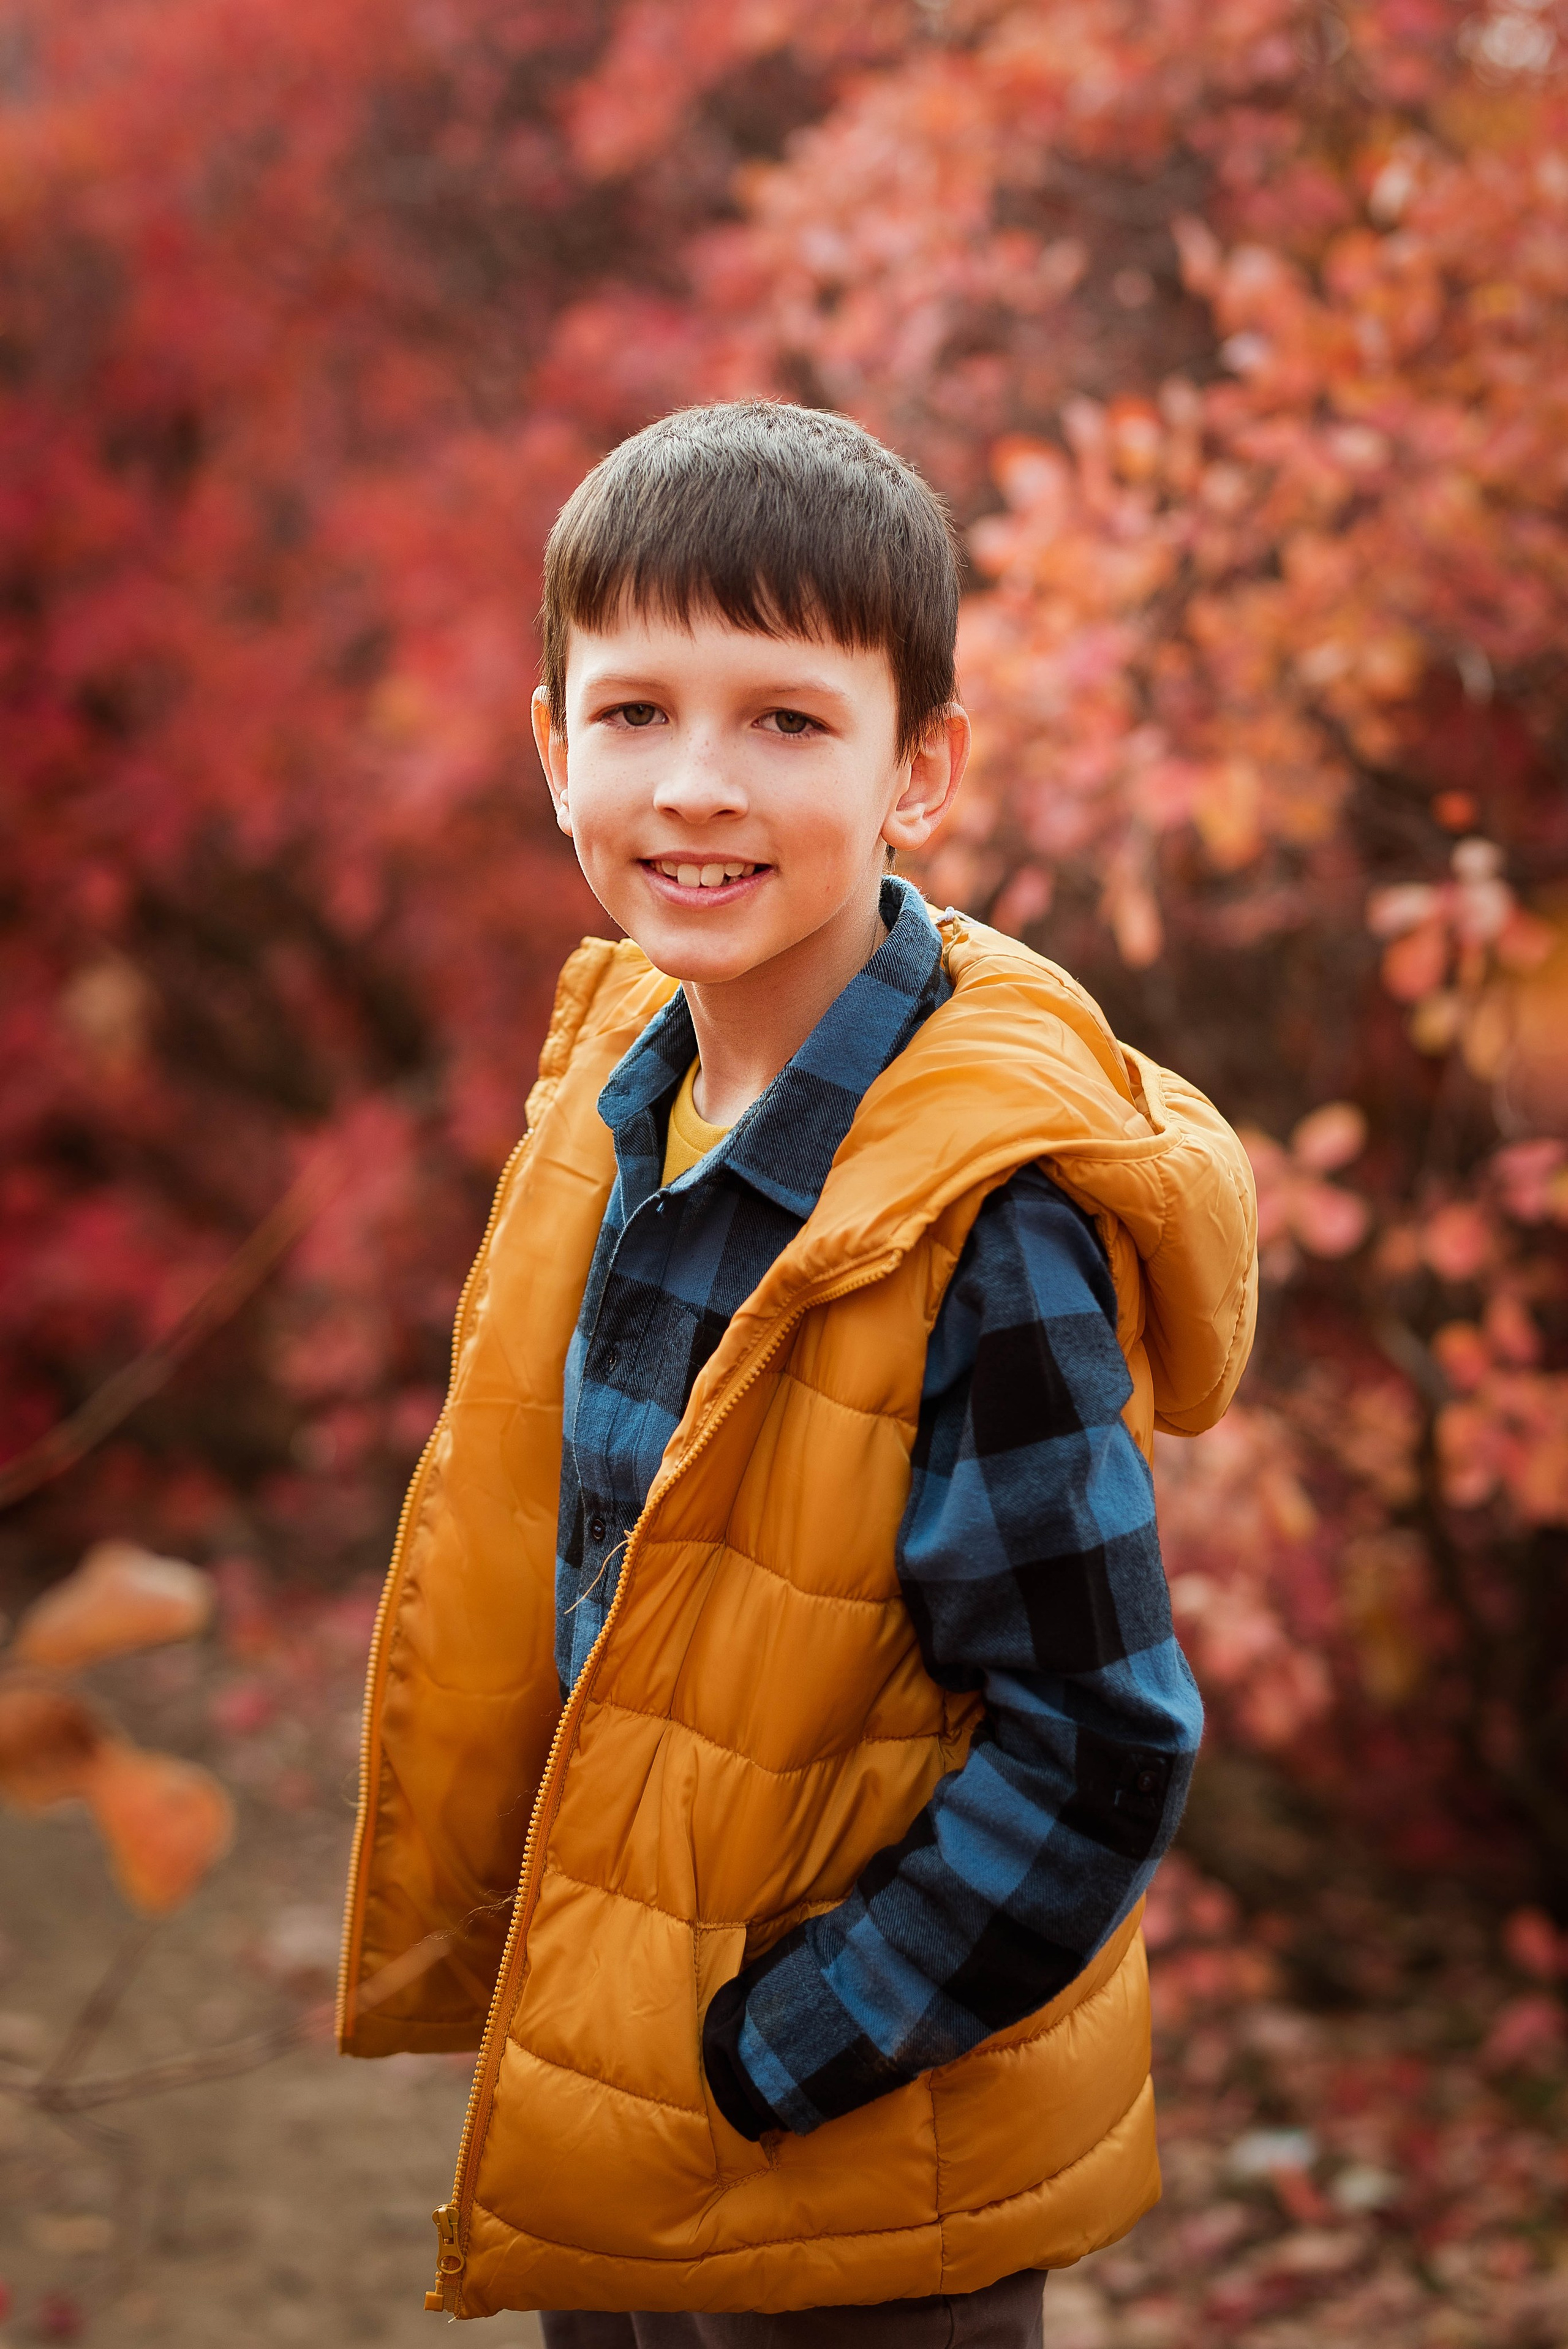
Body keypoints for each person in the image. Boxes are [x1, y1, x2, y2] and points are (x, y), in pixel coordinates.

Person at [337, 402, 1257, 2346]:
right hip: (635, 2112)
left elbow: (1098, 1738)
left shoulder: (972, 1221)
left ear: (918, 770)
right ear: (549, 746)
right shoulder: (616, 1098)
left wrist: (781, 2051)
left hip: (853, 2178)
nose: (695, 786)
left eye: (786, 720)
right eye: (636, 712)